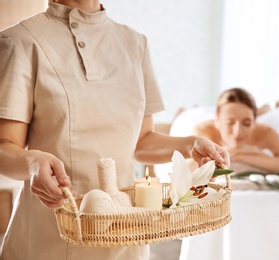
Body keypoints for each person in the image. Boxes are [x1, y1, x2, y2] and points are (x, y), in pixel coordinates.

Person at [0, 1, 229, 259]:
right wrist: (32, 163)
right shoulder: (19, 42)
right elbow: (5, 147)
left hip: (125, 238)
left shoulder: (135, 44)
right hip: (49, 239)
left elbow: (141, 142)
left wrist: (189, 145)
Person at [192, 88, 279, 174]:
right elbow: (189, 166)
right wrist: (230, 153)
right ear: (217, 120)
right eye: (230, 123)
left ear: (254, 122)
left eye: (247, 123)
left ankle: (266, 109)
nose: (238, 131)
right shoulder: (203, 131)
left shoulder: (265, 132)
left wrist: (240, 156)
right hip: (195, 114)